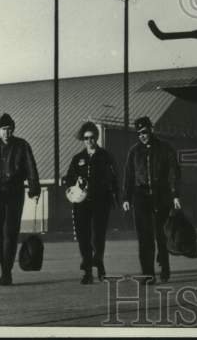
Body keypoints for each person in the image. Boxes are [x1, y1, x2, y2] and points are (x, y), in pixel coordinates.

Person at [0, 113, 40, 286]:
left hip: (15, 191)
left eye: (9, 129)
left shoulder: (22, 145)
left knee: (10, 233)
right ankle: (4, 268)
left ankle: (6, 273)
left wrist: (34, 190)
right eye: (3, 129)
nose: (6, 132)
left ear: (13, 129)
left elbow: (31, 168)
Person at [122, 116, 181, 283]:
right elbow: (129, 176)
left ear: (151, 129)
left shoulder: (165, 148)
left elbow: (174, 173)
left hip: (161, 195)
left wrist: (175, 194)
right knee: (144, 237)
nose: (142, 135)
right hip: (141, 197)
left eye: (145, 132)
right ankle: (148, 274)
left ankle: (165, 265)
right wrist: (126, 197)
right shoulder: (134, 152)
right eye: (139, 133)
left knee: (161, 234)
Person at [63, 121, 119, 284]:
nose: (89, 141)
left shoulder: (106, 157)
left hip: (101, 202)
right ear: (83, 139)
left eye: (92, 137)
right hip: (82, 204)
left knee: (98, 236)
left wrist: (115, 195)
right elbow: (69, 179)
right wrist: (74, 185)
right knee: (83, 237)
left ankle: (99, 263)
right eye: (86, 138)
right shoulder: (77, 159)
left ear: (97, 137)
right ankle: (87, 271)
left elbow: (114, 178)